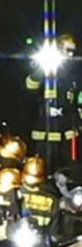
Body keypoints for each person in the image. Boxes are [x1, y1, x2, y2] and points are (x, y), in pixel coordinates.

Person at [26, 33, 82, 170]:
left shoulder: (74, 74)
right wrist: (41, 70)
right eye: (68, 50)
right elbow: (30, 86)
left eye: (73, 51)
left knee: (73, 169)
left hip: (68, 131)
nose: (70, 55)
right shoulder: (43, 71)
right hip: (45, 130)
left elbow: (77, 98)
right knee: (43, 168)